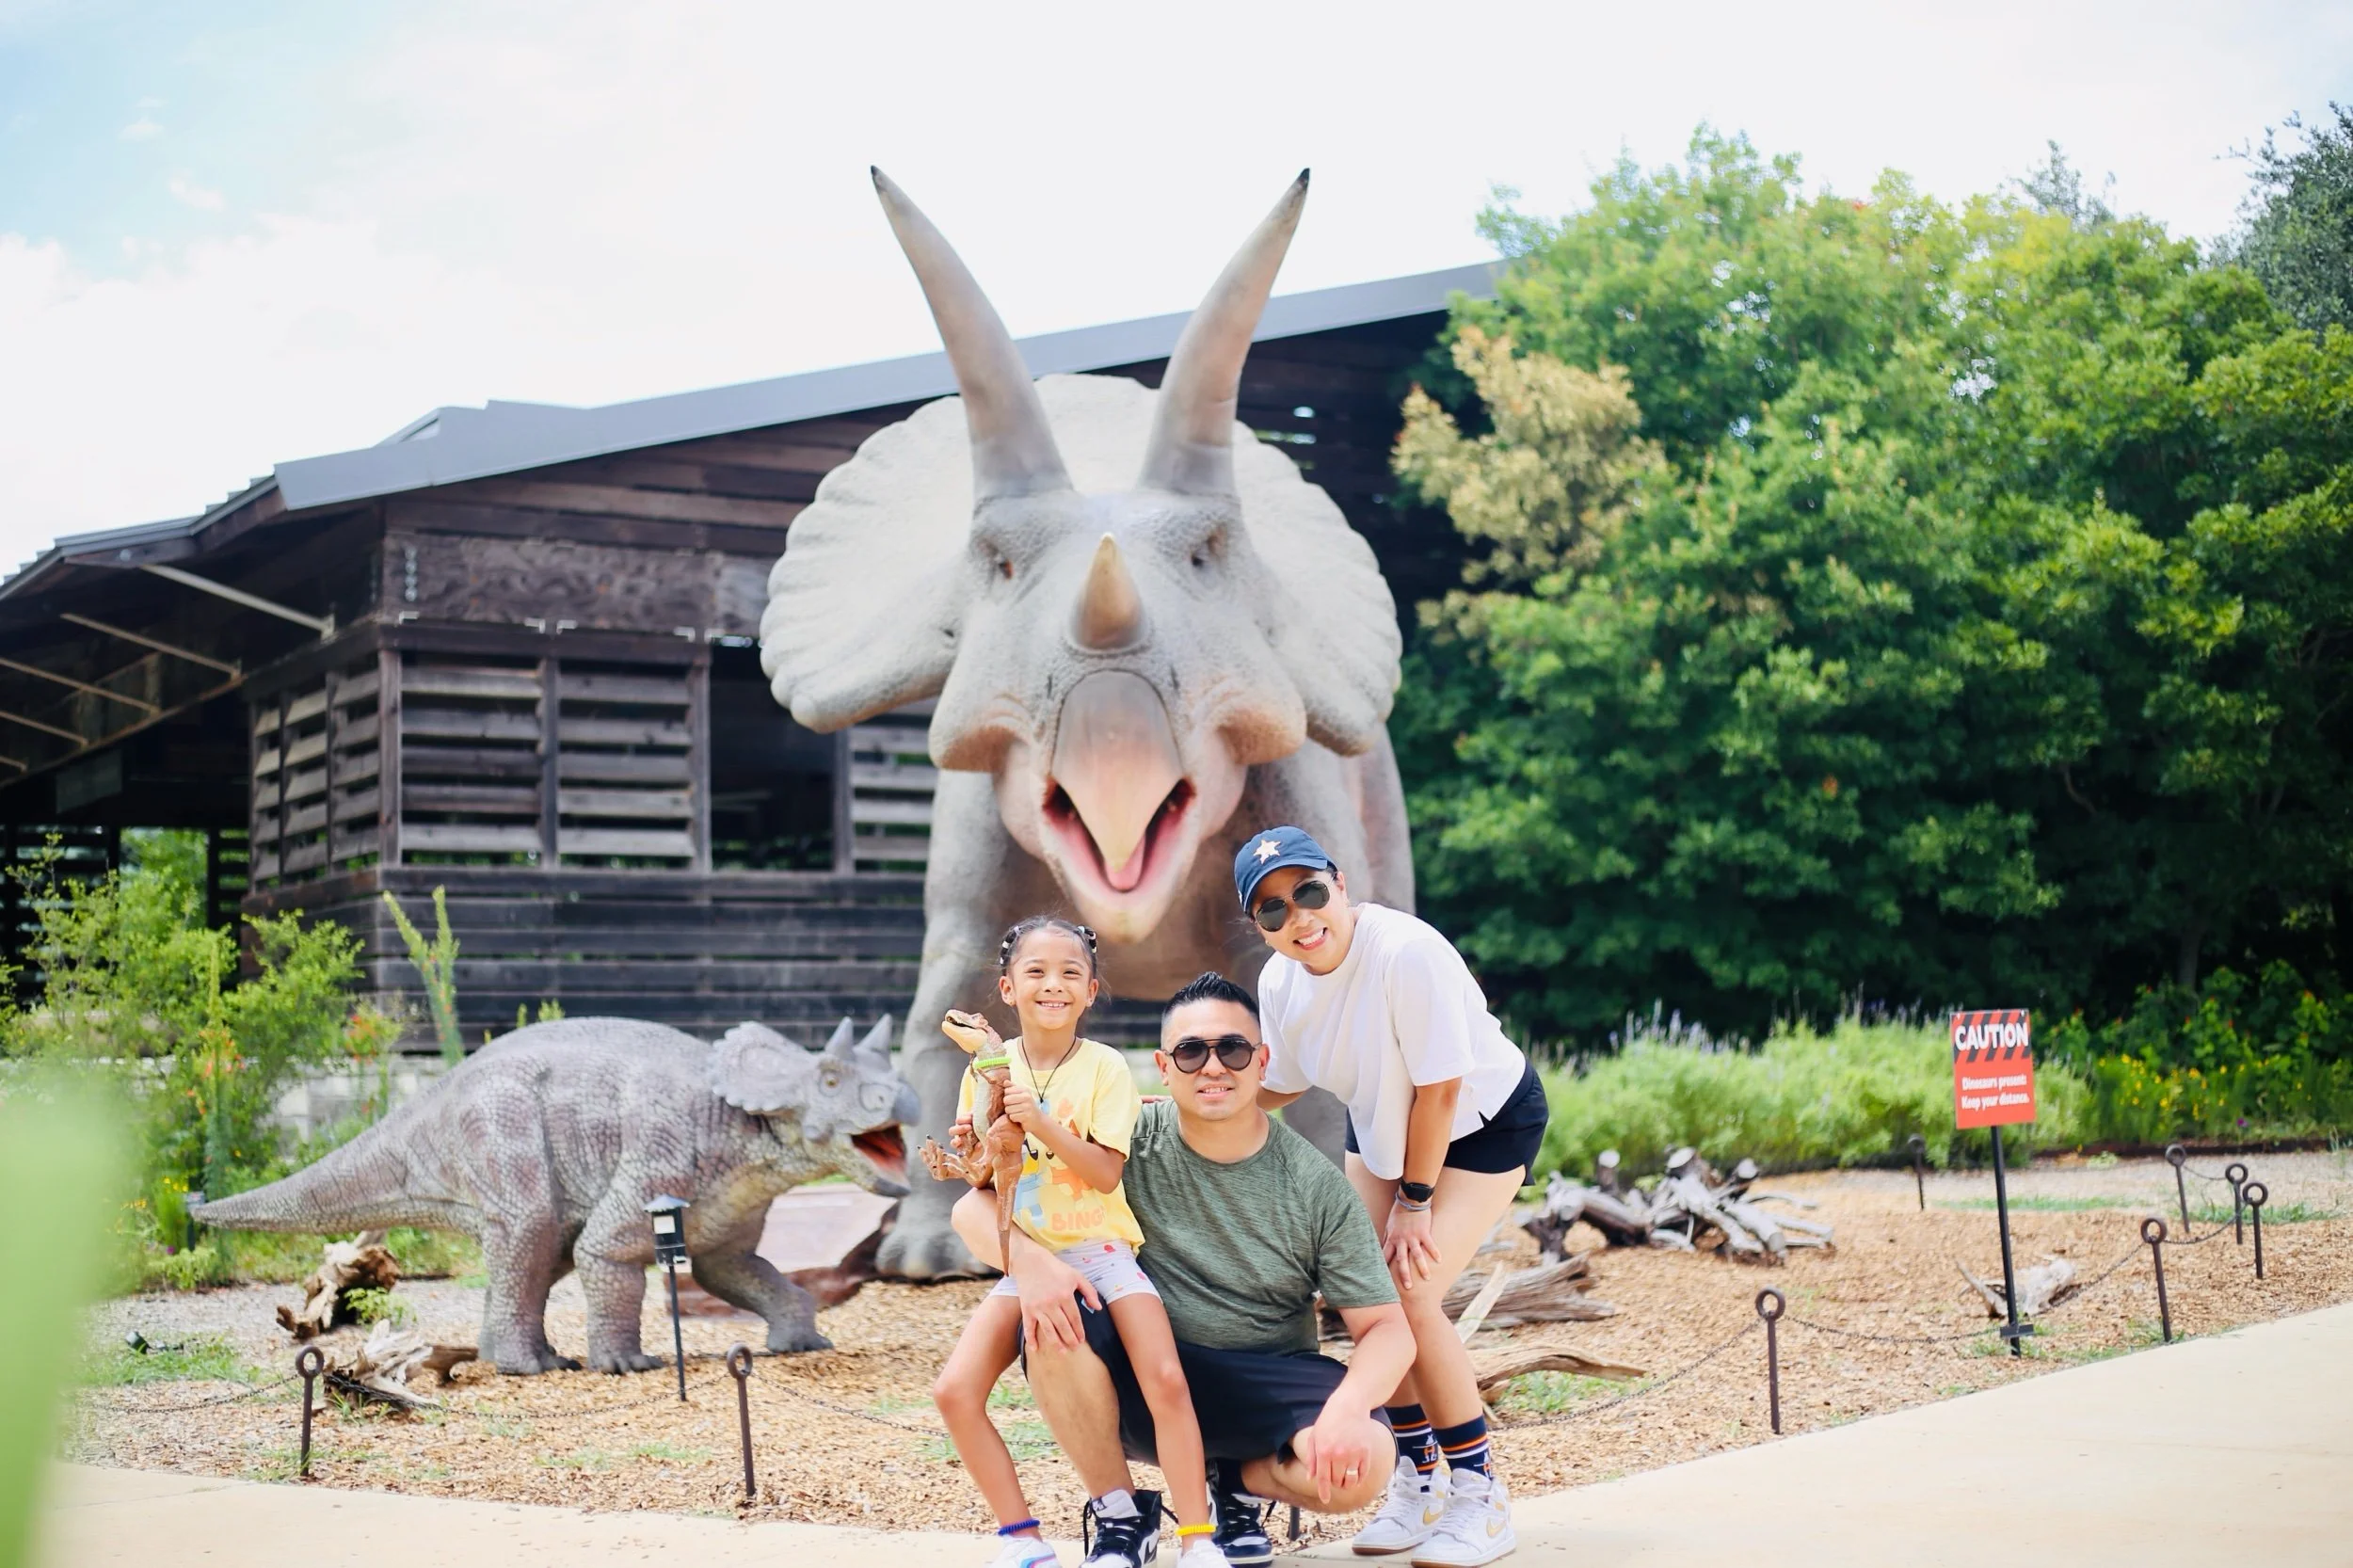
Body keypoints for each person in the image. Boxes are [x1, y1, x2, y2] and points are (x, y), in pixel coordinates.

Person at [952, 971, 1418, 1568]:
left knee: (1367, 1463)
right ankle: (1122, 1515)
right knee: (1053, 1322)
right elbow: (972, 1205)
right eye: (1191, 1052)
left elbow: (1387, 1329)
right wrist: (1030, 1262)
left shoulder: (1314, 1185)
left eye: (1233, 1049)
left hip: (1264, 1375)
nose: (1213, 1067)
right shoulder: (1119, 1143)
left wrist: (1349, 1410)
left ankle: (1237, 1480)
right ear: (1164, 1067)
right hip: (1142, 1379)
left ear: (1262, 1061)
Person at [1236, 825, 1550, 1567]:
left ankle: (1480, 1496)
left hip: (1478, 1123)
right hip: (1382, 1121)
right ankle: (1418, 1480)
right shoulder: (1279, 982)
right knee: (1363, 1299)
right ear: (1259, 926)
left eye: (1309, 892)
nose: (1298, 917)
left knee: (1409, 1295)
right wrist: (1199, 1099)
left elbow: (1440, 1088)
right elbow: (1285, 1080)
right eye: (1273, 909)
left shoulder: (1407, 953)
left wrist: (1414, 1203)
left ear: (1340, 885)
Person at [929, 918, 1224, 1568]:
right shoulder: (985, 1069)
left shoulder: (1103, 1068)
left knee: (1166, 1380)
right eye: (1035, 973)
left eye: (1070, 973)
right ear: (1007, 988)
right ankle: (1023, 1540)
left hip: (1101, 1248)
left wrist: (1038, 1119)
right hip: (1028, 1258)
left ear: (1091, 991)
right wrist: (972, 1152)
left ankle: (1198, 1540)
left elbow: (1105, 1171)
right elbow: (989, 1180)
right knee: (954, 1391)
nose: (1052, 985)